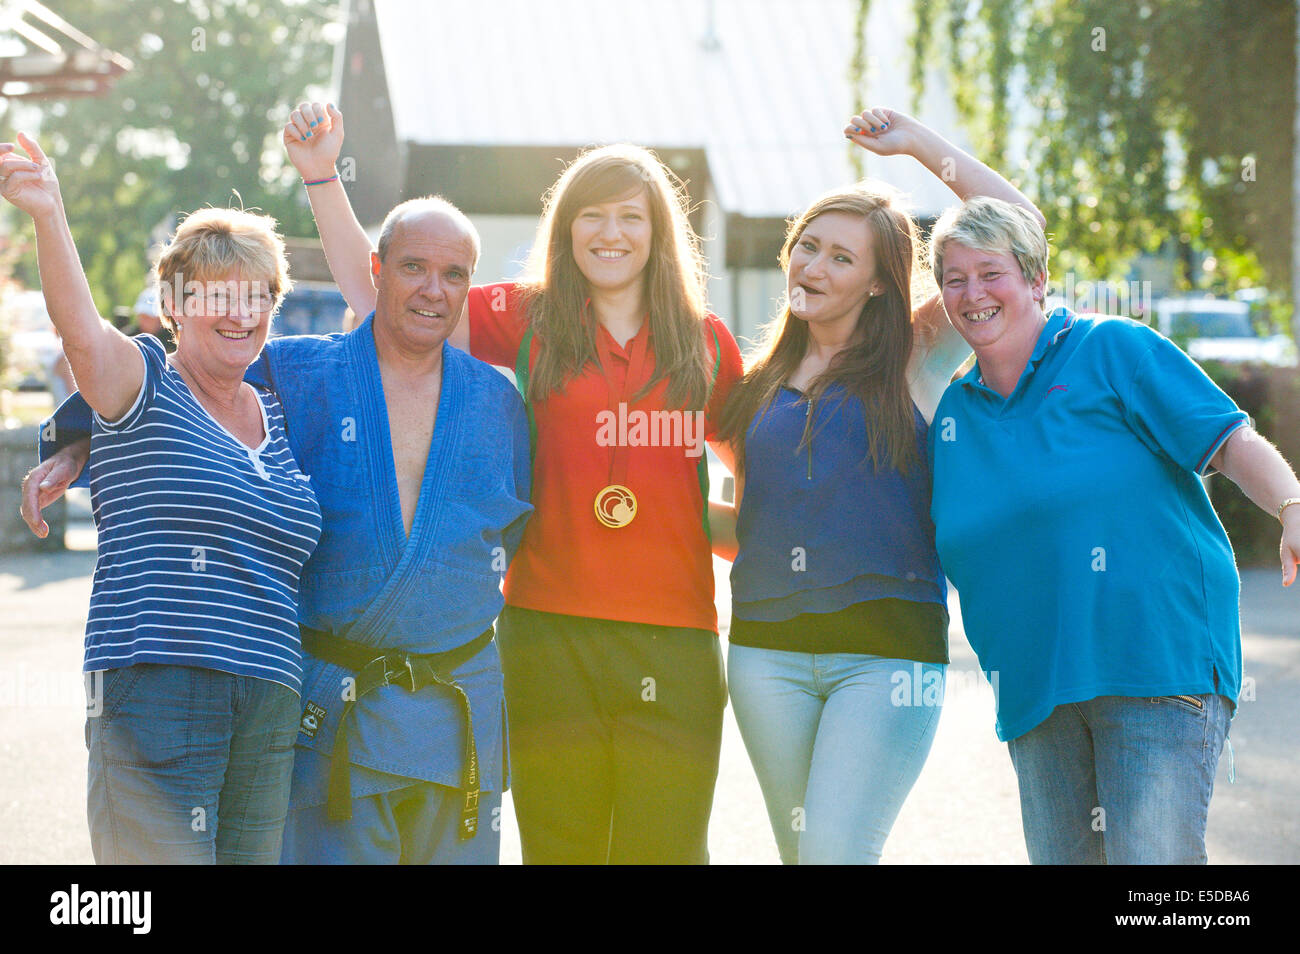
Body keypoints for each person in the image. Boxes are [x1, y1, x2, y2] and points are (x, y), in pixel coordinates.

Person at [283, 101, 744, 863]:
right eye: (590, 215)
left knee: (665, 852)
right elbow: (388, 302)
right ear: (566, 229)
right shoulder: (531, 317)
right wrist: (323, 176)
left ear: (658, 232)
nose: (610, 233)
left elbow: (766, 478)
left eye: (630, 217)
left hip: (678, 641)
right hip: (546, 634)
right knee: (560, 850)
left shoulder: (705, 344)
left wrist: (721, 530)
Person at [26, 180, 532, 865]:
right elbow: (126, 364)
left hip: (309, 709)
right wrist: (77, 434)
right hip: (190, 692)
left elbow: (515, 533)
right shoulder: (280, 374)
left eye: (453, 275)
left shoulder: (295, 406)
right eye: (413, 266)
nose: (432, 289)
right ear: (376, 272)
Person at [711, 108, 1043, 864]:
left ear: (878, 285)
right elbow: (753, 526)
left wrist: (918, 145)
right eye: (808, 248)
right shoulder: (754, 388)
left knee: (833, 852)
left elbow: (1019, 223)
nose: (814, 268)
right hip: (765, 654)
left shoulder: (916, 358)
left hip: (888, 657)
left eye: (840, 259)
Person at [927, 195, 1300, 864]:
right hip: (1037, 692)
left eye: (991, 272)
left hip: (1154, 664)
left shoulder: (1111, 349)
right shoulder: (955, 412)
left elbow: (1228, 441)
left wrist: (1291, 504)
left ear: (1036, 279)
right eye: (954, 278)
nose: (972, 293)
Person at [2, 133, 324, 864]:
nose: (241, 313)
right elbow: (80, 334)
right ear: (175, 303)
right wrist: (49, 215)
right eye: (217, 295)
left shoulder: (276, 413)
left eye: (258, 295)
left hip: (270, 696)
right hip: (159, 686)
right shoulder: (144, 381)